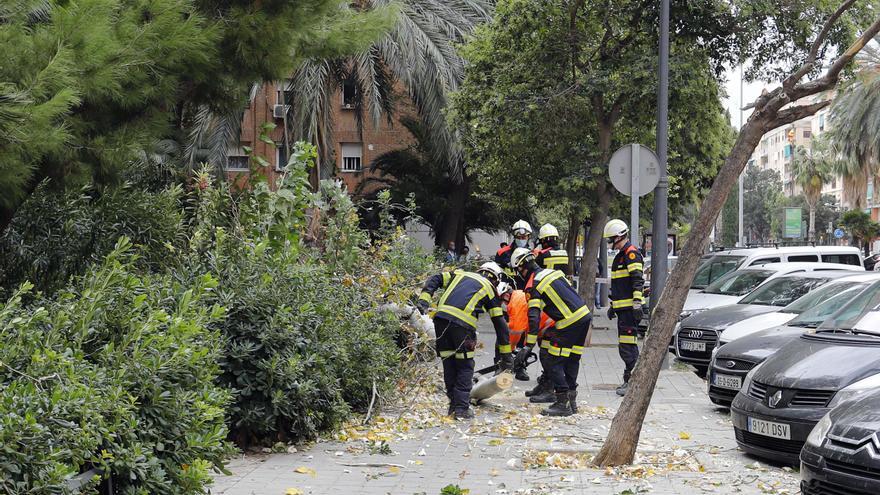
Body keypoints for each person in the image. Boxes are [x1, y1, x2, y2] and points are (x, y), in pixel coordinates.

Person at [417, 262, 514, 419]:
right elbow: (500, 325)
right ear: (496, 279)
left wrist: (424, 300)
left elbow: (435, 278)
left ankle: (453, 406)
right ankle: (462, 409)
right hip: (462, 327)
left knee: (449, 363)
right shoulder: (490, 289)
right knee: (464, 366)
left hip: (441, 321)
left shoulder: (459, 274)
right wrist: (506, 357)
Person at [511, 248, 591, 417]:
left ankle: (562, 402)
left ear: (521, 268)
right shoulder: (552, 273)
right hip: (583, 317)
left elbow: (533, 317)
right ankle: (572, 400)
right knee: (572, 359)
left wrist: (528, 346)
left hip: (568, 322)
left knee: (552, 360)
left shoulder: (533, 286)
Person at [603, 219, 645, 397]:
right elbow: (621, 286)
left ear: (619, 236)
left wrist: (636, 304)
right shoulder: (621, 255)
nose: (610, 243)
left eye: (611, 239)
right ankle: (630, 380)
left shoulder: (631, 253)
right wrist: (614, 305)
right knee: (626, 347)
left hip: (630, 311)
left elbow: (637, 280)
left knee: (628, 348)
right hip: (624, 310)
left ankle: (633, 384)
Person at [495, 220, 533, 288]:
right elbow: (497, 274)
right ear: (514, 236)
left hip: (527, 291)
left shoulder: (533, 254)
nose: (521, 240)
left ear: (528, 237)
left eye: (524, 237)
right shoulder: (502, 253)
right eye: (518, 237)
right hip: (508, 291)